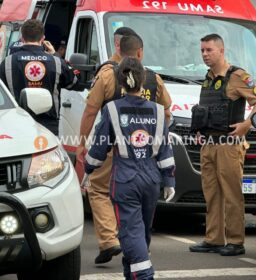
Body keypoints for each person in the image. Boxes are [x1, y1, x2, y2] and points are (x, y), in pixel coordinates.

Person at [76, 33, 172, 264]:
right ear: (140, 52)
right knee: (139, 201)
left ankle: (110, 240)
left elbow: (91, 110)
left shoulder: (108, 75)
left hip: (111, 146)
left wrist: (82, 142)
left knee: (98, 190)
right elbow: (166, 112)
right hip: (144, 153)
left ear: (119, 50)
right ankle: (138, 247)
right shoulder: (153, 78)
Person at [189, 34, 256, 256]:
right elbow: (207, 111)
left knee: (232, 194)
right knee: (212, 194)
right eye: (202, 50)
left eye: (209, 50)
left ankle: (235, 241)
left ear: (221, 51)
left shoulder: (237, 76)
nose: (204, 54)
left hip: (229, 145)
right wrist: (199, 131)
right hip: (209, 145)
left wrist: (247, 124)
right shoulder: (208, 78)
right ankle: (213, 239)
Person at [0, 19, 77, 135]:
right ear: (43, 39)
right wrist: (55, 54)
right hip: (48, 127)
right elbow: (74, 82)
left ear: (22, 39)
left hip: (16, 125)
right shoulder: (56, 62)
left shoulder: (7, 62)